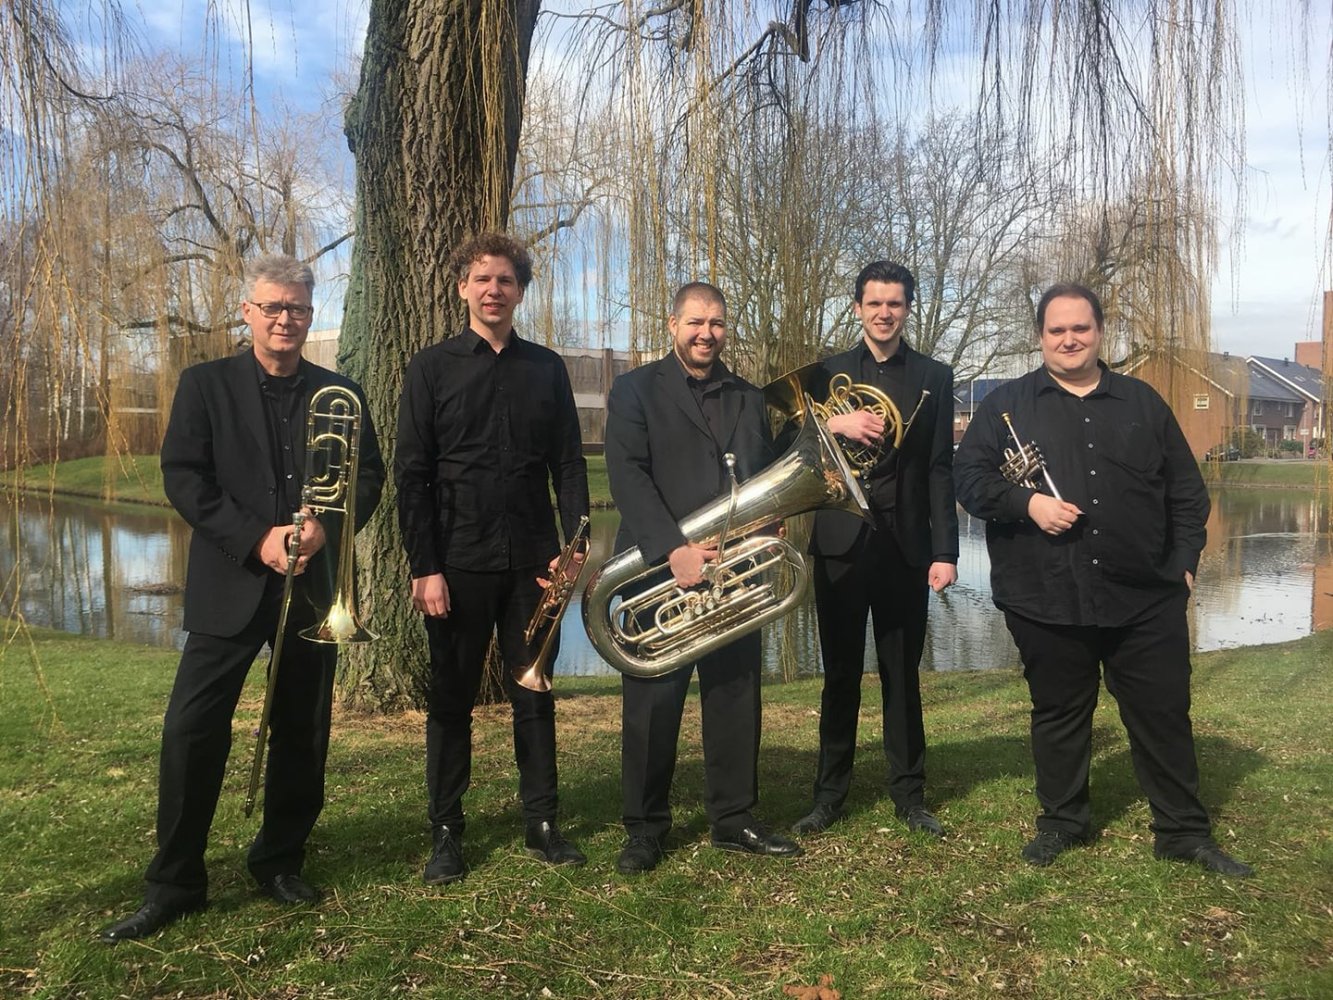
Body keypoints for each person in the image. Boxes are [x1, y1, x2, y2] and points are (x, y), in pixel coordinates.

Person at [99, 254, 386, 942]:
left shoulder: (340, 392)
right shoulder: (204, 385)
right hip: (230, 582)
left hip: (313, 587)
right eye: (273, 307)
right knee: (191, 730)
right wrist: (256, 539)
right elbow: (184, 477)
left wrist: (325, 528)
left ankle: (280, 861)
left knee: (302, 732)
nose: (286, 319)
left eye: (298, 308)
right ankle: (175, 883)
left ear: (310, 316)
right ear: (248, 312)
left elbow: (368, 476)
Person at [953, 283, 1252, 876]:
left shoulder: (1143, 403)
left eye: (1080, 328)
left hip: (1144, 595)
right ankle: (1063, 823)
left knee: (1162, 713)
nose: (1069, 339)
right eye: (1057, 330)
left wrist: (1185, 562)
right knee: (1059, 712)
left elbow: (1187, 495)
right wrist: (1027, 503)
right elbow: (969, 481)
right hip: (1044, 594)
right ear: (1040, 337)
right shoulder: (1005, 406)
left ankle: (1182, 832)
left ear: (1099, 332)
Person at [395, 232, 589, 884]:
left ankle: (542, 822)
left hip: (534, 563)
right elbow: (412, 476)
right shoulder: (431, 368)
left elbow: (568, 464)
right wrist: (424, 567)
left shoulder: (547, 369)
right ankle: (446, 833)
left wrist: (574, 547)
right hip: (455, 563)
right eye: (481, 279)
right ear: (462, 288)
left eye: (505, 280)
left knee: (534, 693)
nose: (493, 290)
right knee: (450, 701)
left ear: (520, 291)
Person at [603, 281, 802, 874]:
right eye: (695, 322)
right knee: (653, 702)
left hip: (733, 569)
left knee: (735, 693)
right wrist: (673, 549)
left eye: (716, 323)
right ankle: (644, 829)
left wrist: (771, 522)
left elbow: (759, 476)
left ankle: (734, 818)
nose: (705, 334)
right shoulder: (635, 389)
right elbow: (627, 474)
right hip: (658, 569)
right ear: (672, 325)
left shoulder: (747, 395)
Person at [790, 261, 958, 840]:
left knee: (901, 676)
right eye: (875, 303)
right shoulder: (826, 374)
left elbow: (940, 469)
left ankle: (910, 796)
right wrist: (835, 427)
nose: (884, 313)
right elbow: (789, 446)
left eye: (895, 303)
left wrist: (946, 551)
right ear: (857, 307)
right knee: (839, 675)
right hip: (841, 542)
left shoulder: (936, 375)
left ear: (907, 308)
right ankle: (828, 797)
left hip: (906, 547)